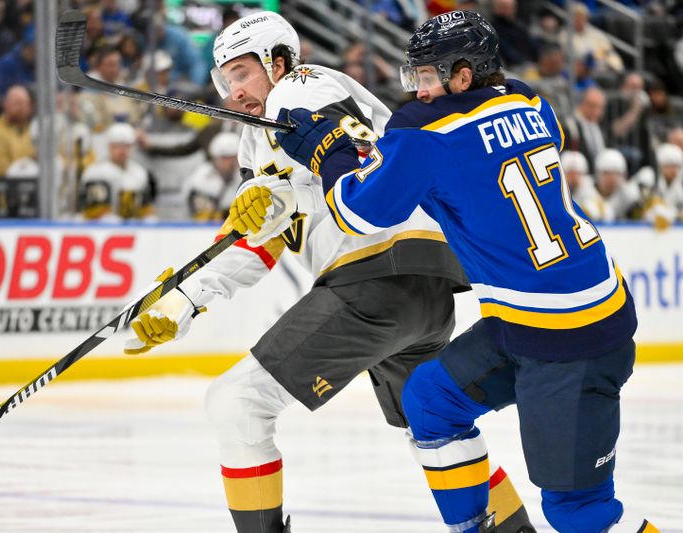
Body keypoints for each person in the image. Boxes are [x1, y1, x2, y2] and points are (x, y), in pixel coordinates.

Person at [240, 9, 657, 533]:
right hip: (547, 314)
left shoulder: (425, 132)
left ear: (464, 75)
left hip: (570, 338)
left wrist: (330, 155)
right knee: (429, 400)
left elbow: (357, 212)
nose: (418, 90)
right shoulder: (532, 100)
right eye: (414, 76)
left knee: (578, 514)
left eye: (429, 76)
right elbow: (469, 164)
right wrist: (376, 156)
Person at [123, 11, 535, 533]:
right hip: (420, 285)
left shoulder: (303, 84)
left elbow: (359, 158)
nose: (233, 93)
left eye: (242, 74)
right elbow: (263, 239)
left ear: (279, 62)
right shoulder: (260, 138)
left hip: (375, 275)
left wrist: (277, 195)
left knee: (237, 405)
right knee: (431, 430)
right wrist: (188, 298)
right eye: (225, 81)